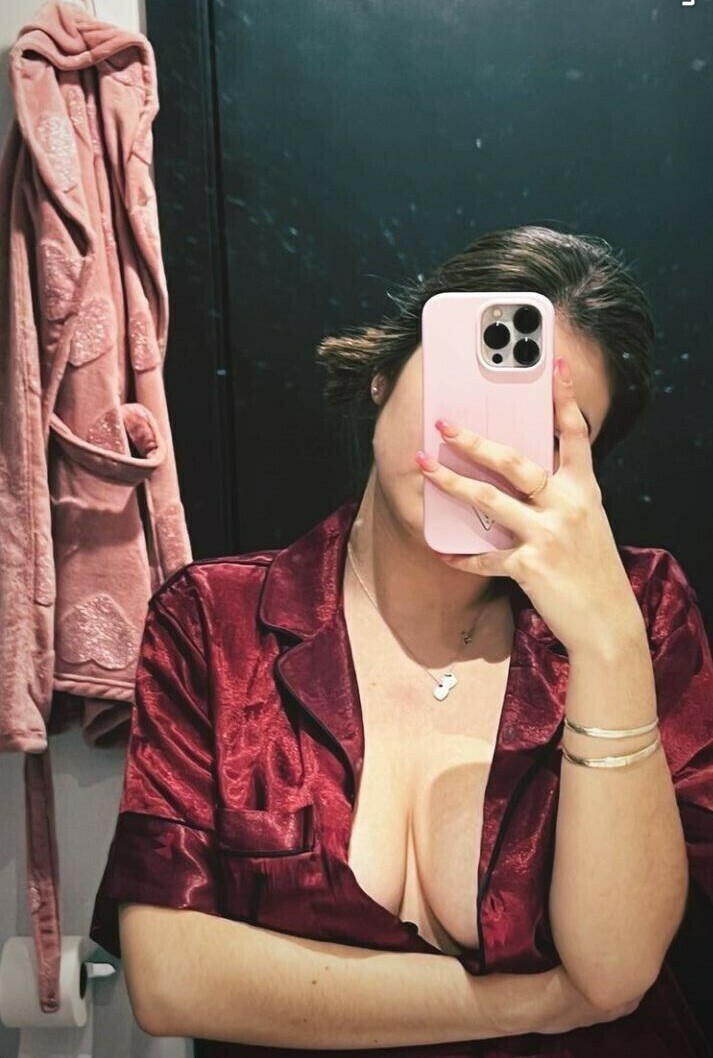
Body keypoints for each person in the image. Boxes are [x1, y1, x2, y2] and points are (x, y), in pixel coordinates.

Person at [89, 224, 713, 1056]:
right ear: (385, 373)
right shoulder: (215, 619)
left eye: (542, 434)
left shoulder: (637, 610)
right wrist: (528, 1004)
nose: (482, 449)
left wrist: (606, 641)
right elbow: (172, 978)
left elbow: (615, 970)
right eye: (467, 392)